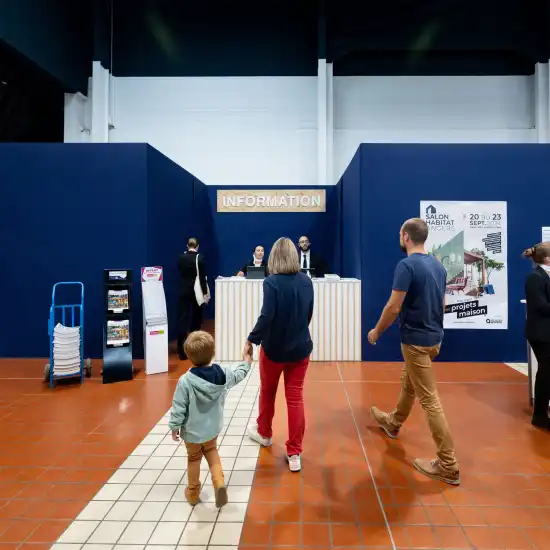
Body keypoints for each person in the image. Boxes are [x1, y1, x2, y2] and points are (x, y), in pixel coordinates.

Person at [368, 218, 460, 485]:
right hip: (434, 339)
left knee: (429, 400)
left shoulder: (406, 265)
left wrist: (377, 331)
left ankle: (448, 463)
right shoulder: (438, 265)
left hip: (415, 341)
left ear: (406, 236)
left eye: (400, 234)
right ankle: (394, 422)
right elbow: (442, 304)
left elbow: (394, 306)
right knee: (409, 383)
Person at [244, 237, 314, 472]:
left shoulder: (271, 282)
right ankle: (294, 453)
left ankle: (264, 433)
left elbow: (267, 317)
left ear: (273, 256)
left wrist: (251, 340)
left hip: (273, 350)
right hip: (300, 349)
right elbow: (308, 315)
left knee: (268, 391)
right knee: (295, 399)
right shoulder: (306, 281)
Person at [169, 331, 252, 507]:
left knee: (193, 459)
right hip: (212, 429)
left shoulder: (186, 381)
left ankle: (192, 493)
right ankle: (219, 483)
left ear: (189, 357)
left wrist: (175, 426)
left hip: (191, 432)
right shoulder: (221, 374)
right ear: (213, 352)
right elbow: (238, 374)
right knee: (212, 453)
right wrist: (246, 359)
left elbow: (178, 407)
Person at [523, 243, 550, 430]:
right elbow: (541, 307)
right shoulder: (535, 277)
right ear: (547, 258)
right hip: (541, 334)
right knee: (546, 372)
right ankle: (539, 415)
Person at [177, 237, 208, 360]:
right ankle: (195, 348)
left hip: (183, 291)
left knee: (182, 320)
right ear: (198, 246)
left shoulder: (181, 258)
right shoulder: (200, 258)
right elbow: (202, 279)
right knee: (196, 320)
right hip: (196, 292)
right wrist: (205, 293)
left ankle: (181, 351)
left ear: (187, 245)